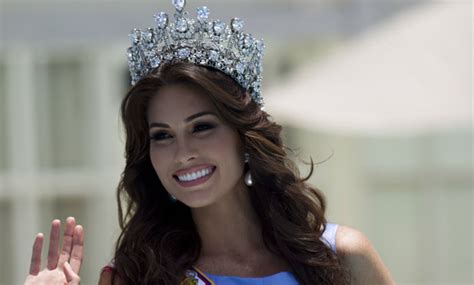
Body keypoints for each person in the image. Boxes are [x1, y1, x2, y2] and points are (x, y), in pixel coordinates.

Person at [25, 1, 395, 284]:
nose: (183, 153)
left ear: (244, 135)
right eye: (162, 136)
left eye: (201, 127)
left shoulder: (342, 257)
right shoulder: (137, 276)